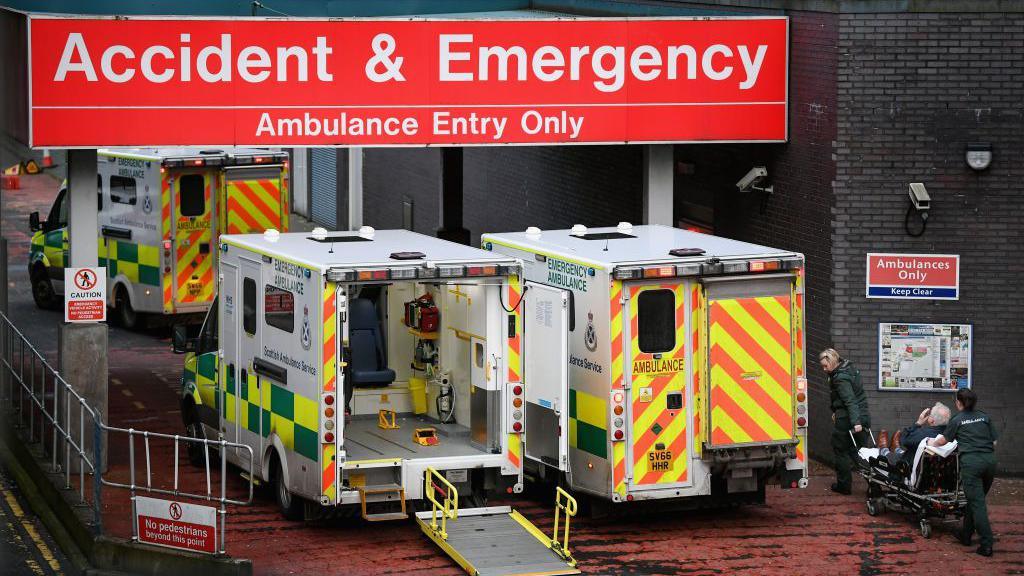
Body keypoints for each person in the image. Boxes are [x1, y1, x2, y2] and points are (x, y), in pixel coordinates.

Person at [928, 389, 999, 557]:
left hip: (972, 463)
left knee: (977, 504)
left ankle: (986, 544)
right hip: (989, 461)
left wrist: (932, 442)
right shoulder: (984, 416)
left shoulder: (957, 419)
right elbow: (994, 442)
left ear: (959, 403)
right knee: (975, 500)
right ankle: (966, 535)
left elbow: (944, 440)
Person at [821, 348, 871, 495]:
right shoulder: (849, 368)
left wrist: (855, 422)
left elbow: (850, 400)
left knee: (840, 450)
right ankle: (875, 485)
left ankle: (844, 486)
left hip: (849, 419)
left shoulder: (840, 378)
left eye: (825, 365)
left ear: (833, 361)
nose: (824, 369)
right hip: (862, 416)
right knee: (861, 453)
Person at [882, 402, 950, 471]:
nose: (928, 415)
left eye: (930, 414)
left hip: (908, 466)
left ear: (932, 420)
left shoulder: (923, 435)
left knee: (888, 455)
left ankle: (884, 450)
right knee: (903, 451)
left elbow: (903, 440)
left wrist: (918, 423)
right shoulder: (951, 435)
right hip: (932, 470)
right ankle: (897, 449)